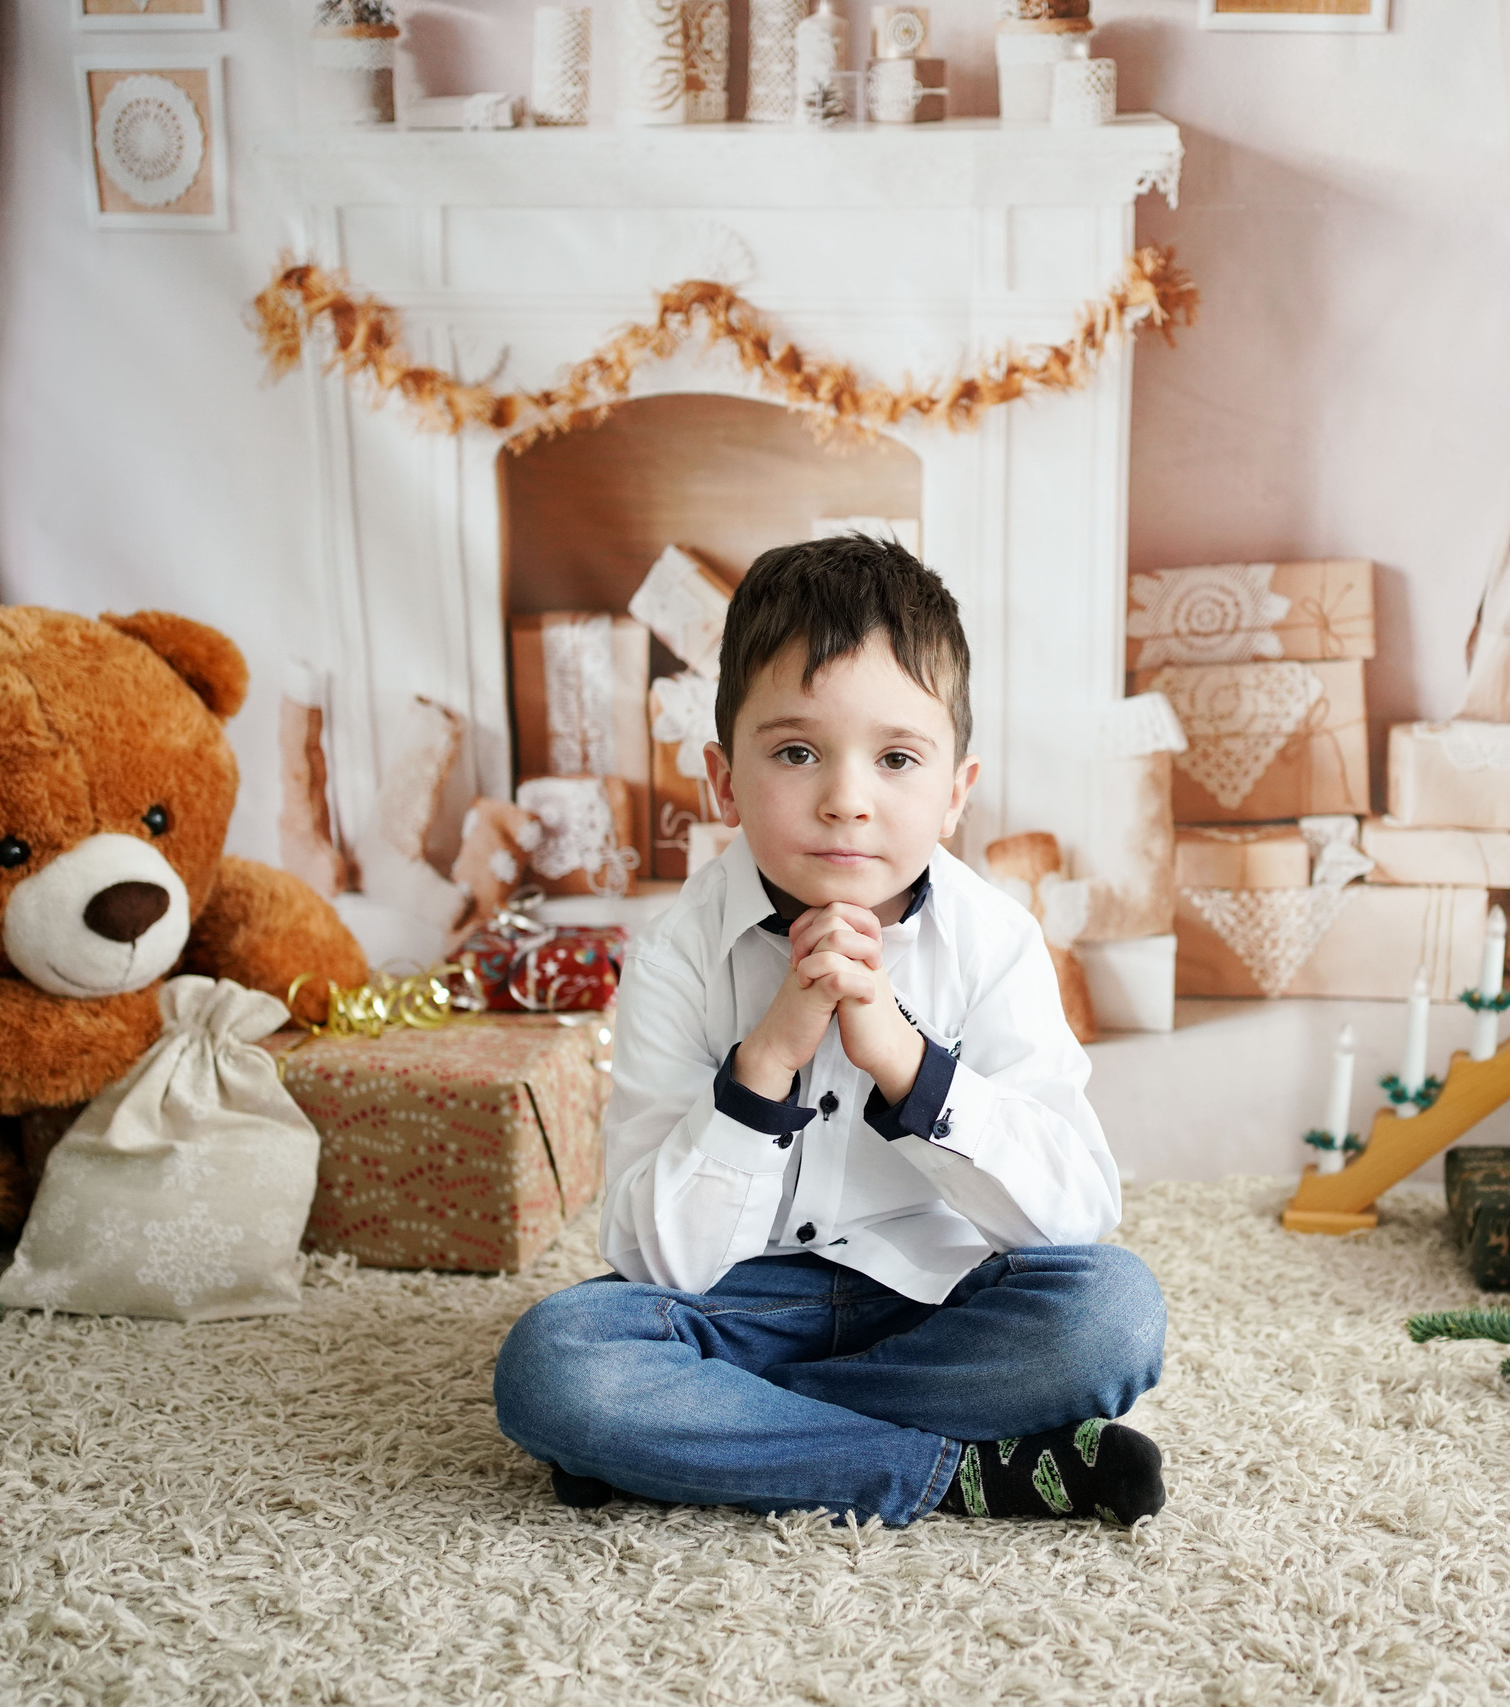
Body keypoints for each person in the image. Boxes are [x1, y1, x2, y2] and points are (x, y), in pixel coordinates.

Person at [494, 534, 1168, 1529]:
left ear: (956, 790)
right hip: (737, 1312)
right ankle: (960, 1468)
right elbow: (654, 1262)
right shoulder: (677, 951)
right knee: (557, 1367)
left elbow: (1072, 1214)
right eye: (796, 751)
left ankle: (708, 1441)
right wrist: (765, 1060)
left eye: (897, 758)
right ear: (724, 780)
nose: (847, 798)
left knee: (1112, 1316)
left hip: (937, 1301)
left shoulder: (995, 940)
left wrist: (906, 1064)